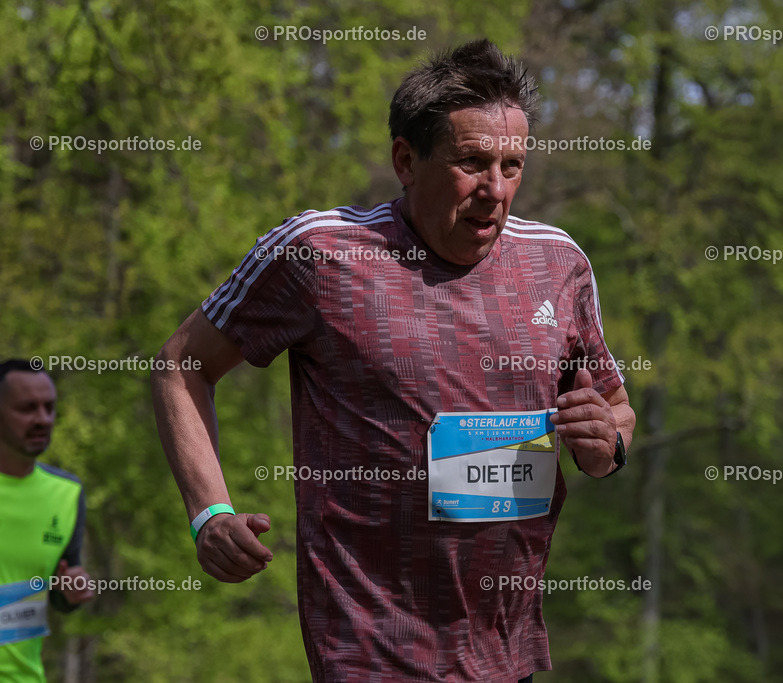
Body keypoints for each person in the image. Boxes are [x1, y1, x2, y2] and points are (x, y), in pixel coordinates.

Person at [152, 38, 635, 682]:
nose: (496, 190)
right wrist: (208, 511)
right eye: (472, 163)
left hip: (505, 652)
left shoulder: (558, 264)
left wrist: (606, 445)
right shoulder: (320, 255)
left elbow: (614, 412)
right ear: (406, 160)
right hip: (369, 650)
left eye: (513, 166)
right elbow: (180, 364)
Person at [0, 359, 95, 683]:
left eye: (49, 408)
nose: (42, 419)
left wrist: (70, 594)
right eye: (27, 408)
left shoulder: (67, 494)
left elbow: (58, 587)